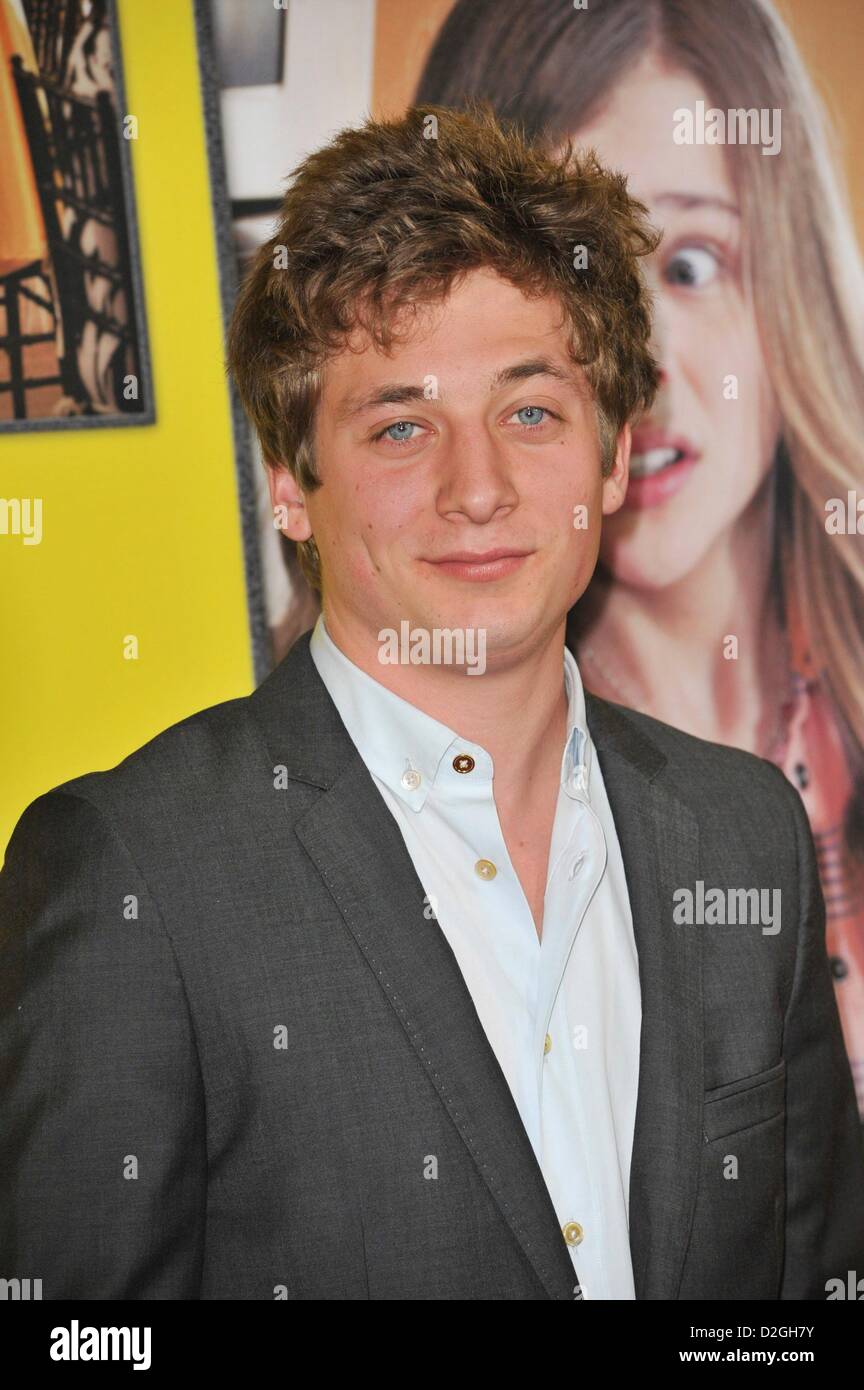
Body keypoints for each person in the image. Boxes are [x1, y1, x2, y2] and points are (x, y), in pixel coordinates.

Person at [1, 104, 862, 1300]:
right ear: (290, 484)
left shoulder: (743, 828)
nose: (478, 488)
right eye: (402, 426)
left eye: (530, 412)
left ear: (614, 454)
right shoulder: (135, 870)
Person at [415, 0, 864, 1122]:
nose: (646, 366)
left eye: (695, 263)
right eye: (578, 285)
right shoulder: (414, 791)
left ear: (789, 281)